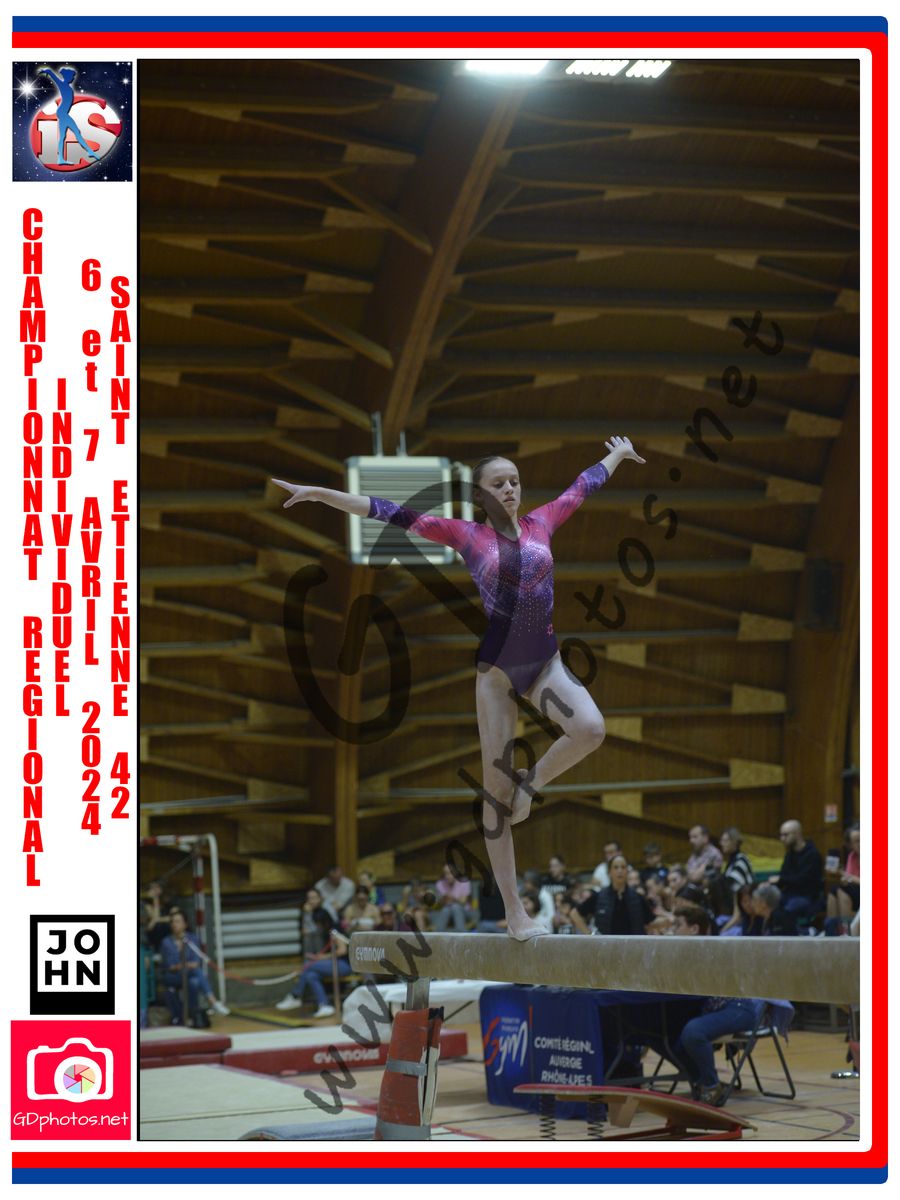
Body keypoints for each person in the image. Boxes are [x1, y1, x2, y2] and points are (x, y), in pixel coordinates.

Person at [275, 435, 646, 941]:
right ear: (480, 495)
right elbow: (387, 511)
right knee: (495, 795)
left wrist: (617, 455)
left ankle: (530, 785)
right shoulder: (466, 535)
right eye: (499, 483)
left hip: (545, 662)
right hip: (498, 673)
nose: (510, 489)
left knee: (591, 729)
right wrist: (321, 494)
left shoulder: (543, 522)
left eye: (514, 481)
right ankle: (515, 912)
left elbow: (584, 485)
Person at [666, 904, 767, 1106]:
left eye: (677, 925)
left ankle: (711, 1086)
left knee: (693, 1032)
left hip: (738, 1008)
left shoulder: (709, 950)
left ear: (694, 929)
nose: (673, 930)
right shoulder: (682, 953)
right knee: (670, 1038)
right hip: (712, 1009)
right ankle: (701, 1080)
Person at [160, 909, 230, 1024]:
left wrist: (183, 965)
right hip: (173, 976)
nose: (174, 924)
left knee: (194, 982)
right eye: (172, 921)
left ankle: (191, 1015)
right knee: (197, 972)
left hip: (189, 973)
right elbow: (170, 966)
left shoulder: (192, 939)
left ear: (185, 924)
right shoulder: (166, 942)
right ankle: (213, 1002)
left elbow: (196, 962)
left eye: (177, 921)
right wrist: (185, 965)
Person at [275, 930, 350, 1018]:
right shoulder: (322, 933)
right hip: (334, 964)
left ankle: (295, 995)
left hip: (344, 965)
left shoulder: (335, 931)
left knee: (308, 965)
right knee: (311, 976)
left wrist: (322, 957)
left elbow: (342, 950)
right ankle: (324, 1005)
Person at [581, 853, 651, 934]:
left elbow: (651, 921)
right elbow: (575, 914)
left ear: (627, 871)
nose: (620, 871)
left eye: (623, 867)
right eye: (616, 867)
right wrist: (589, 935)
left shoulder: (637, 897)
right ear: (609, 872)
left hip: (633, 941)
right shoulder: (599, 896)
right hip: (606, 941)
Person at [770, 820, 824, 921]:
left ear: (797, 834)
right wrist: (769, 884)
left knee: (786, 911)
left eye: (786, 835)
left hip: (807, 897)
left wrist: (781, 879)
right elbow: (783, 875)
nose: (782, 839)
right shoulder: (789, 854)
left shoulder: (813, 854)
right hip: (788, 894)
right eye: (781, 835)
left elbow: (804, 880)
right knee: (764, 903)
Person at [826, 823, 860, 933]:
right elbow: (848, 878)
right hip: (855, 890)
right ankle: (831, 931)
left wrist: (846, 876)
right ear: (850, 844)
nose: (860, 844)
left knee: (842, 890)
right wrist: (843, 878)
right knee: (833, 890)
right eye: (856, 841)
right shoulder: (852, 856)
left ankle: (846, 931)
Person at [432, 862, 474, 932]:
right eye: (445, 873)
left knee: (455, 907)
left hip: (465, 911)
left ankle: (461, 934)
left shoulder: (464, 881)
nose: (447, 876)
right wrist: (444, 900)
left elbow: (463, 902)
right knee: (446, 909)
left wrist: (452, 898)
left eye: (450, 873)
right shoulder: (440, 884)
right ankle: (438, 934)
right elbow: (440, 904)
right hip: (446, 910)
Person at [299, 887, 336, 959]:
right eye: (309, 898)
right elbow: (303, 928)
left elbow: (318, 928)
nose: (311, 901)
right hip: (310, 941)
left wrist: (309, 913)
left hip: (325, 940)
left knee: (315, 934)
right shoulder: (305, 911)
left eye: (314, 898)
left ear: (320, 899)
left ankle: (317, 957)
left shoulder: (323, 911)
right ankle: (308, 958)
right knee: (307, 936)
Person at [719, 828, 754, 892]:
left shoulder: (741, 860)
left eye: (725, 841)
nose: (721, 843)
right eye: (721, 840)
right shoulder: (732, 860)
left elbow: (731, 885)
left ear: (734, 842)